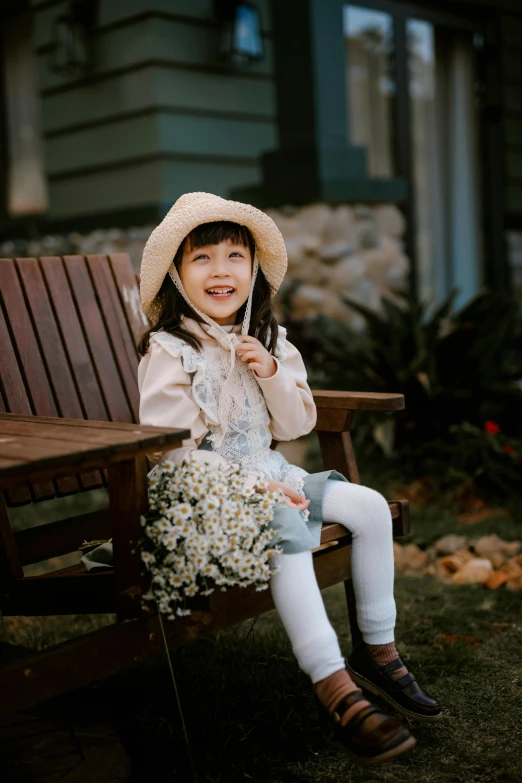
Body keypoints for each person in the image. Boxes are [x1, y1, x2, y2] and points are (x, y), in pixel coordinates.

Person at [137, 192, 441, 767]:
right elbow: (167, 451)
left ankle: (377, 651)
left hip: (273, 471)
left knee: (371, 506)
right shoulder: (170, 351)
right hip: (202, 494)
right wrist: (251, 490)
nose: (221, 270)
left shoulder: (270, 341)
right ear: (177, 275)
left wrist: (272, 372)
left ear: (254, 272)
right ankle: (334, 689)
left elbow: (297, 421)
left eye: (235, 256)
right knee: (285, 524)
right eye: (202, 258)